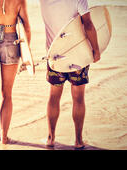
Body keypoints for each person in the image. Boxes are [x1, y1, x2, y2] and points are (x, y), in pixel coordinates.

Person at [39, 0, 100, 149]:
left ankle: (50, 138)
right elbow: (88, 25)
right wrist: (96, 49)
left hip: (55, 57)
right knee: (78, 97)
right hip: (78, 56)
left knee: (54, 96)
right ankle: (78, 141)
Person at [0, 0, 31, 144]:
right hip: (11, 41)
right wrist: (26, 54)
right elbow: (26, 27)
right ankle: (4, 136)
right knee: (7, 94)